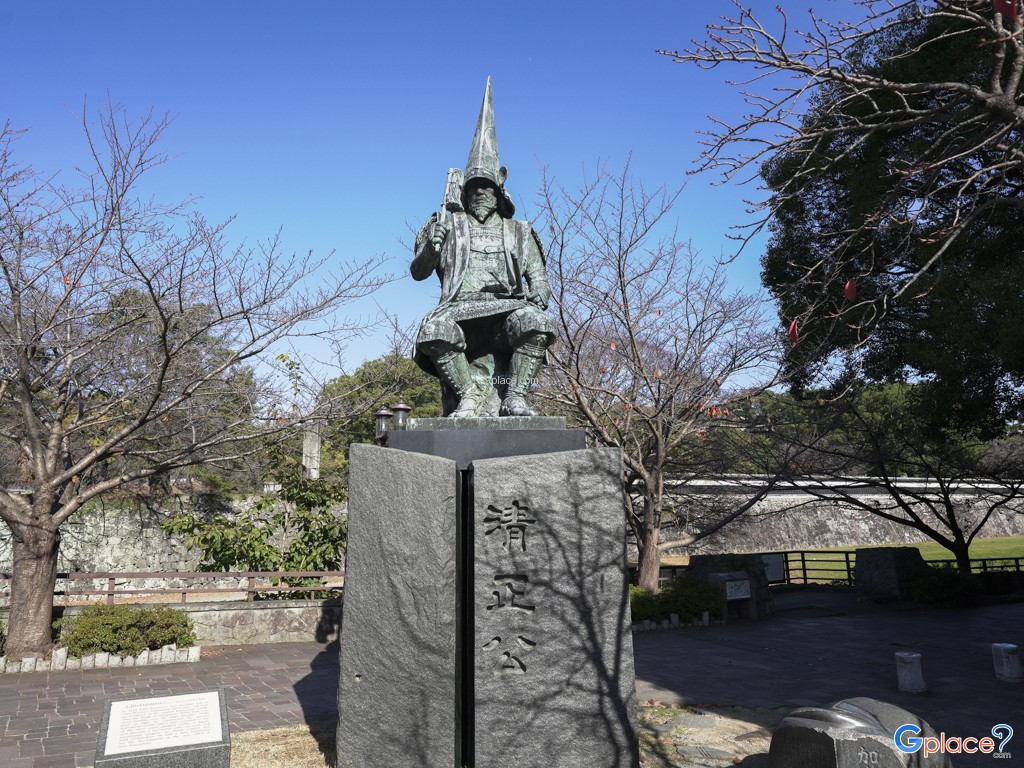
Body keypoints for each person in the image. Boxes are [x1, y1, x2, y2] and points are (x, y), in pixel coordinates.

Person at [411, 78, 554, 417]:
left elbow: (540, 280)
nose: (479, 193)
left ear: (498, 189)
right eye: (473, 187)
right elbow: (418, 272)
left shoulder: (519, 231)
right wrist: (432, 249)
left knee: (538, 322)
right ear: (463, 190)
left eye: (485, 187)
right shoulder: (446, 224)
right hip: (460, 313)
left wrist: (539, 293)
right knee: (433, 331)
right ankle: (467, 397)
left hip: (506, 314)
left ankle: (515, 397)